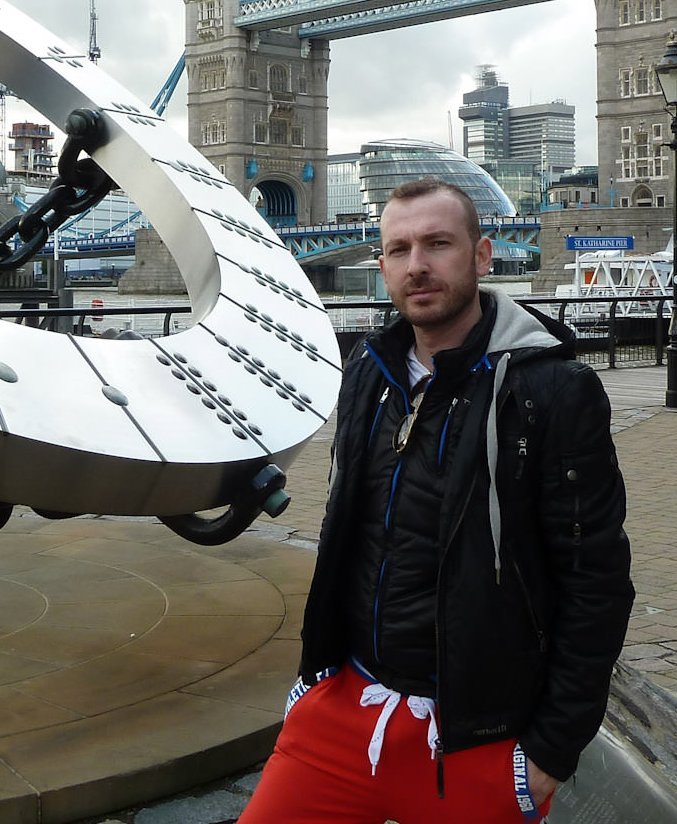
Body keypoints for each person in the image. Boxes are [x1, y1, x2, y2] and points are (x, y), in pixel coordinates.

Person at [237, 179, 634, 824]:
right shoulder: (369, 367)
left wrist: (551, 752)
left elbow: (598, 583)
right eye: (398, 249)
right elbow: (349, 531)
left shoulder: (554, 390)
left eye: (437, 244)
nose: (416, 265)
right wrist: (313, 679)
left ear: (482, 256)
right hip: (344, 707)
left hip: (477, 737)